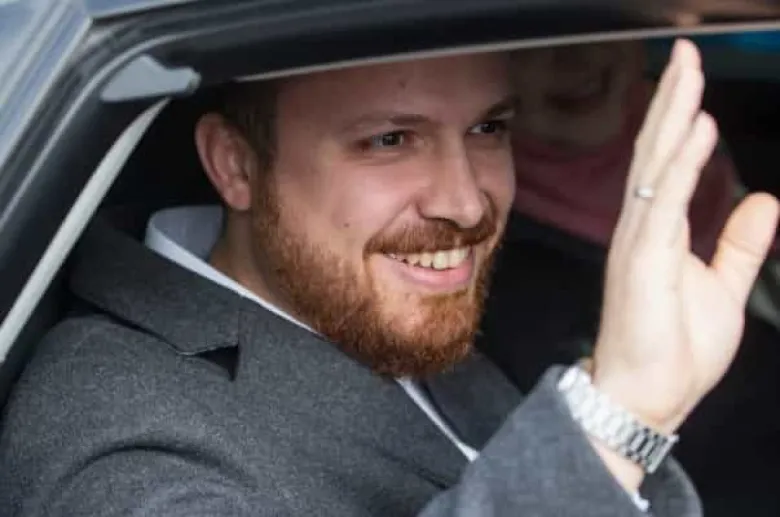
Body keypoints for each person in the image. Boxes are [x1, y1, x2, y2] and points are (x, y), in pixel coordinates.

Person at [0, 40, 776, 516]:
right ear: (235, 163)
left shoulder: (375, 307)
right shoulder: (110, 420)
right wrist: (614, 418)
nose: (466, 201)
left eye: (488, 128)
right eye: (390, 140)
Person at [476, 40, 780, 515]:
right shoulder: (492, 275)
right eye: (532, 44)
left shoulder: (699, 137)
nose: (575, 57)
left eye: (591, 25)